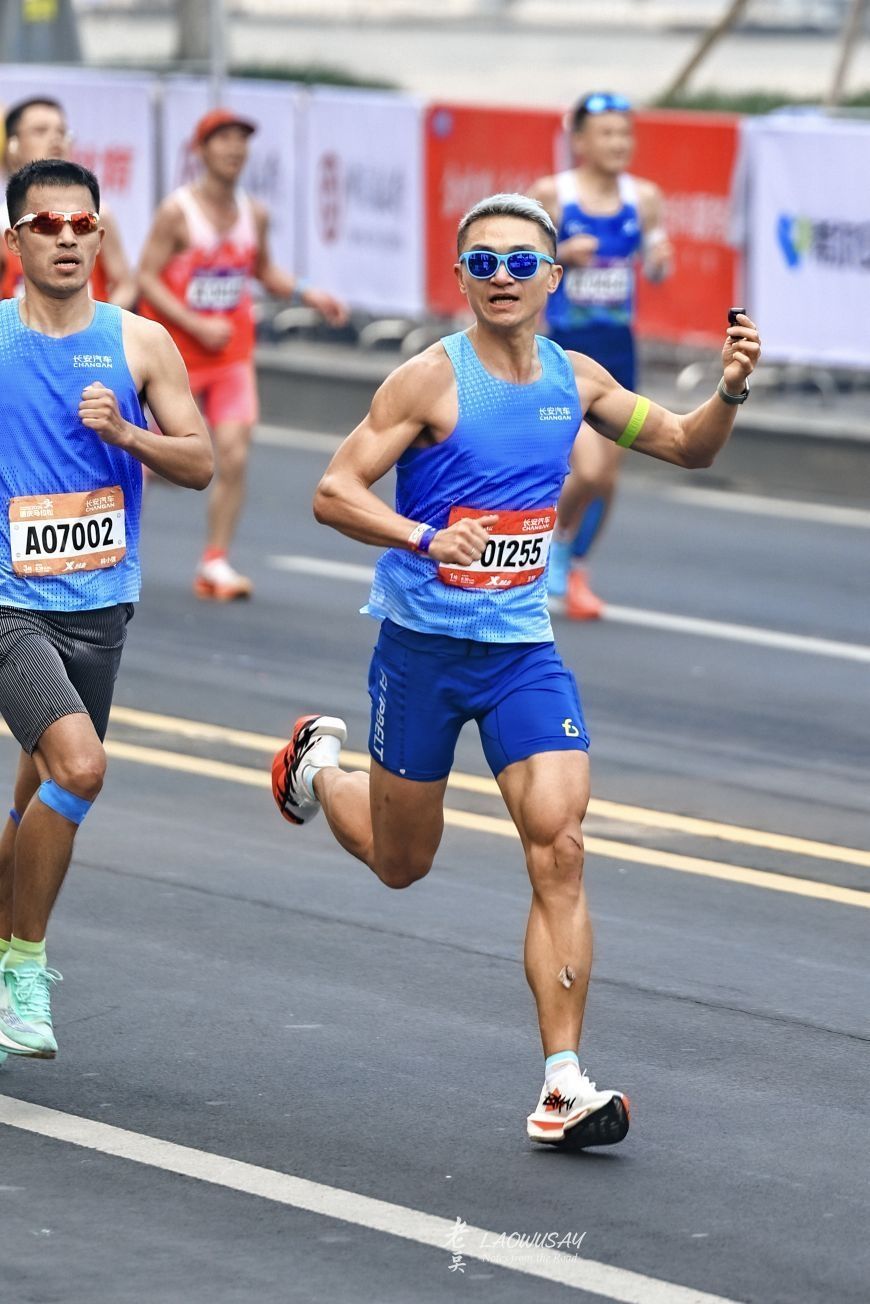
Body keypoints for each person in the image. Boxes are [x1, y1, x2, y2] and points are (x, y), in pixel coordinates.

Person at [269, 193, 760, 1148]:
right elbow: (332, 491)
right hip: (421, 651)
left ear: (552, 278)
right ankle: (317, 768)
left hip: (520, 652)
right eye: (483, 262)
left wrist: (731, 391)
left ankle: (563, 1084)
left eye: (521, 262)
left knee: (560, 843)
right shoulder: (427, 380)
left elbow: (687, 446)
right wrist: (423, 536)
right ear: (460, 278)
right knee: (402, 864)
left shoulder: (577, 380)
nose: (502, 276)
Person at [0, 159, 213, 1065]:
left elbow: (200, 462)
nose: (67, 238)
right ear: (15, 241)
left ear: (98, 234)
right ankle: (24, 969)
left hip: (100, 605)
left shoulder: (141, 342)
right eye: (46, 224)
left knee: (36, 796)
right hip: (9, 604)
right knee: (81, 769)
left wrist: (127, 432)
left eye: (81, 224)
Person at [138, 108, 348, 602]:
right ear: (200, 150)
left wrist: (306, 292)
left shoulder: (255, 214)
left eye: (241, 140)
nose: (234, 148)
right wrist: (194, 323)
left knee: (233, 454)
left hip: (231, 358)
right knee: (147, 462)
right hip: (176, 358)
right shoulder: (177, 213)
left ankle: (215, 561)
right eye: (223, 139)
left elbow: (263, 270)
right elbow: (147, 275)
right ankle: (115, 554)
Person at [529, 92, 673, 619]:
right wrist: (562, 255)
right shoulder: (553, 194)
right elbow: (518, 261)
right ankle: (550, 547)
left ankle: (576, 570)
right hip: (568, 352)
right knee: (587, 471)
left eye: (625, 133)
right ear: (580, 140)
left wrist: (659, 261)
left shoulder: (645, 197)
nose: (618, 143)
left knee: (607, 479)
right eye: (607, 133)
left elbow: (657, 265)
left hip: (619, 353)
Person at [1, 96, 136, 308]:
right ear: (13, 146)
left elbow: (126, 285)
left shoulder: (99, 214)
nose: (55, 139)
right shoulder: (2, 222)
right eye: (40, 131)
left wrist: (99, 323)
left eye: (62, 132)